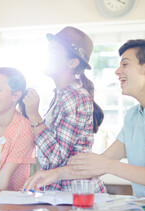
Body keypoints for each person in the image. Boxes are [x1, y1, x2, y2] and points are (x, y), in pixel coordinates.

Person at [67, 39, 145, 197]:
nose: (117, 71)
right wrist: (52, 175)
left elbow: (106, 164)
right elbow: (99, 163)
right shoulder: (132, 117)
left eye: (125, 64)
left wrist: (109, 166)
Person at [22, 26, 106, 193]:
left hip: (76, 195)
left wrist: (34, 115)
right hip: (62, 194)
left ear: (73, 62)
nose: (47, 56)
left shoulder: (75, 97)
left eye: (53, 51)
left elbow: (56, 158)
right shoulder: (61, 95)